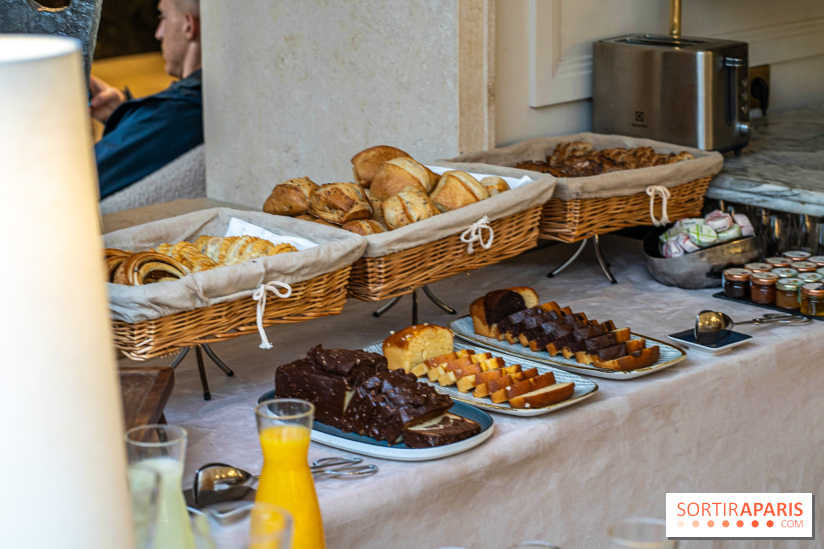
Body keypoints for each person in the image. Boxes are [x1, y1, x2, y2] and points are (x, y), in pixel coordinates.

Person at [91, 0, 203, 200]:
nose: (158, 33)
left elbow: (70, 181)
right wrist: (123, 113)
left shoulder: (177, 112)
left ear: (188, 25)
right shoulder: (205, 103)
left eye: (163, 17)